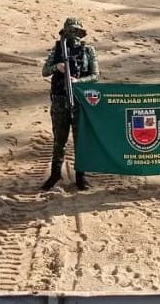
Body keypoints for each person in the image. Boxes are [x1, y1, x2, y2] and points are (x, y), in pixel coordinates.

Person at [41, 17, 100, 191]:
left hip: (80, 101)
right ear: (65, 33)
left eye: (76, 32)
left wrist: (78, 81)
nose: (73, 36)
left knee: (80, 139)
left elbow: (96, 76)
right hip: (60, 101)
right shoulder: (58, 49)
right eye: (70, 32)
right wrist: (57, 67)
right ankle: (55, 174)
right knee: (59, 139)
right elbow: (44, 71)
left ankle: (81, 176)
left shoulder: (89, 51)